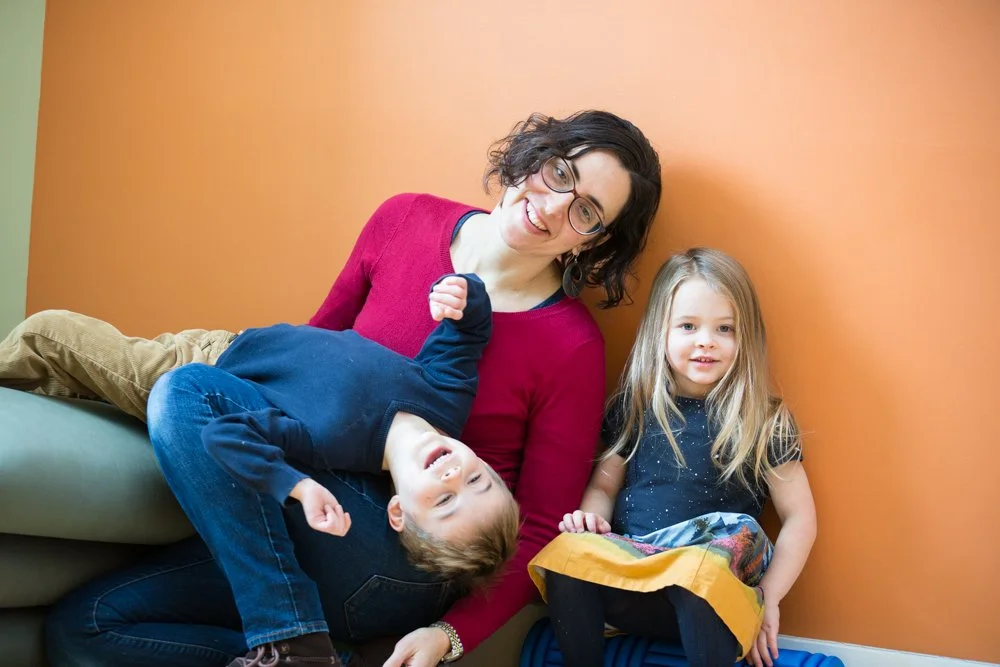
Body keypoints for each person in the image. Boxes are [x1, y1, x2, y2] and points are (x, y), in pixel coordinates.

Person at [43, 109, 663, 667]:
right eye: (560, 173)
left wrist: (449, 634)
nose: (555, 207)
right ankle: (312, 656)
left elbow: (539, 528)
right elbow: (314, 349)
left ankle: (287, 631)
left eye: (586, 211)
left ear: (596, 241)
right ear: (534, 156)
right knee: (84, 627)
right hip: (307, 502)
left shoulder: (571, 345)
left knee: (184, 396)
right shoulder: (404, 220)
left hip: (404, 552)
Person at [150, 273, 518, 666]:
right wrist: (465, 293)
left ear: (397, 511)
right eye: (477, 479)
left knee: (178, 388)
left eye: (446, 500)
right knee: (82, 624)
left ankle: (290, 638)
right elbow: (469, 333)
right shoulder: (447, 395)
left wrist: (299, 485)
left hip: (223, 367)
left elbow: (225, 432)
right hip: (240, 350)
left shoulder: (325, 441)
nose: (453, 477)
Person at [528, 248, 817, 667]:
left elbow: (800, 518)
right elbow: (605, 484)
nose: (706, 340)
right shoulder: (635, 406)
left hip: (712, 594)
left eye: (724, 328)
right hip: (633, 579)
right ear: (659, 332)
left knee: (699, 570)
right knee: (565, 554)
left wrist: (769, 599)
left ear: (745, 336)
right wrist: (590, 521)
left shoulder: (762, 419)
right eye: (688, 326)